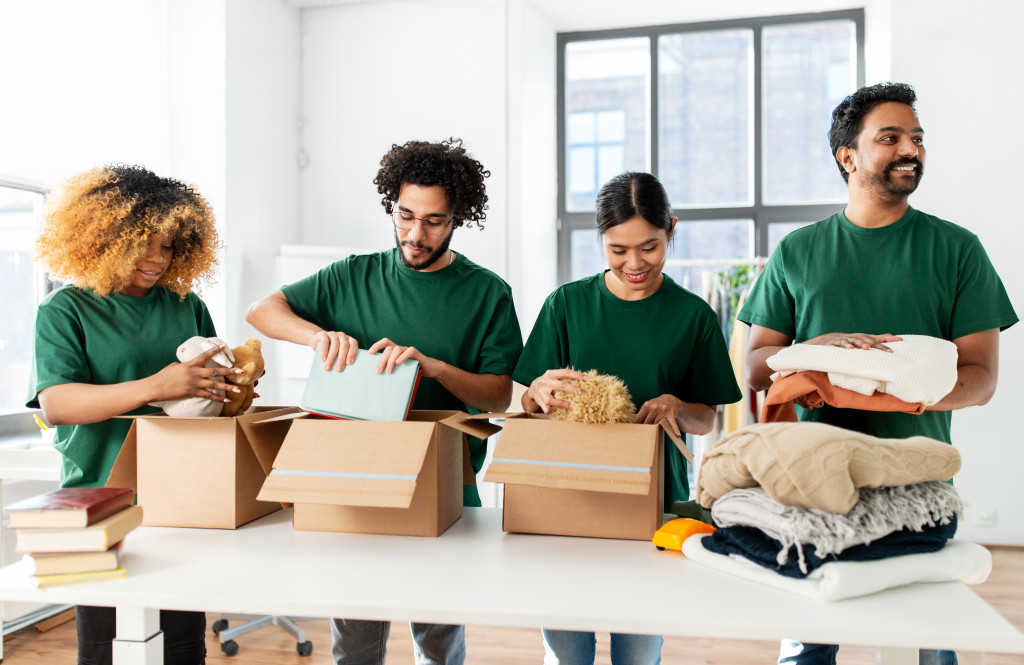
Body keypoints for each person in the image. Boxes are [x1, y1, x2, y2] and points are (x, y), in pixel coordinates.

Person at [738, 82, 1018, 665]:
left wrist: (907, 396)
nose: (909, 148)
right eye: (889, 137)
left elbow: (983, 377)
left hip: (917, 486)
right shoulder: (798, 251)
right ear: (848, 156)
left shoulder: (957, 250)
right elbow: (757, 365)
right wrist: (815, 351)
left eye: (916, 137)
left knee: (930, 645)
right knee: (807, 647)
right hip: (815, 483)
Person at [246, 137, 522, 665]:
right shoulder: (353, 274)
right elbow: (262, 310)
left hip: (444, 480)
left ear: (459, 216)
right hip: (356, 480)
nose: (415, 235)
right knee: (354, 642)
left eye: (434, 221)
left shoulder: (488, 293)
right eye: (404, 215)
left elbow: (498, 395)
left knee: (439, 640)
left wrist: (434, 366)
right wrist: (316, 337)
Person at [513, 171, 742, 665]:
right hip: (567, 501)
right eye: (618, 250)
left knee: (638, 654)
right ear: (601, 241)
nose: (634, 263)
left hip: (654, 505)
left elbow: (707, 420)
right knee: (567, 654)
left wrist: (679, 407)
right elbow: (526, 405)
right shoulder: (567, 305)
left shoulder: (693, 316)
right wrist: (536, 391)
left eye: (650, 247)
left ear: (671, 231)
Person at [28, 164, 237, 665]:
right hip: (98, 497)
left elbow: (212, 398)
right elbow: (57, 403)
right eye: (143, 242)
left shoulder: (187, 305)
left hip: (182, 498)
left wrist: (231, 387)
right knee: (103, 646)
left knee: (184, 645)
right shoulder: (65, 310)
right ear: (103, 238)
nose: (156, 258)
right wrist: (158, 386)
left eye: (168, 245)